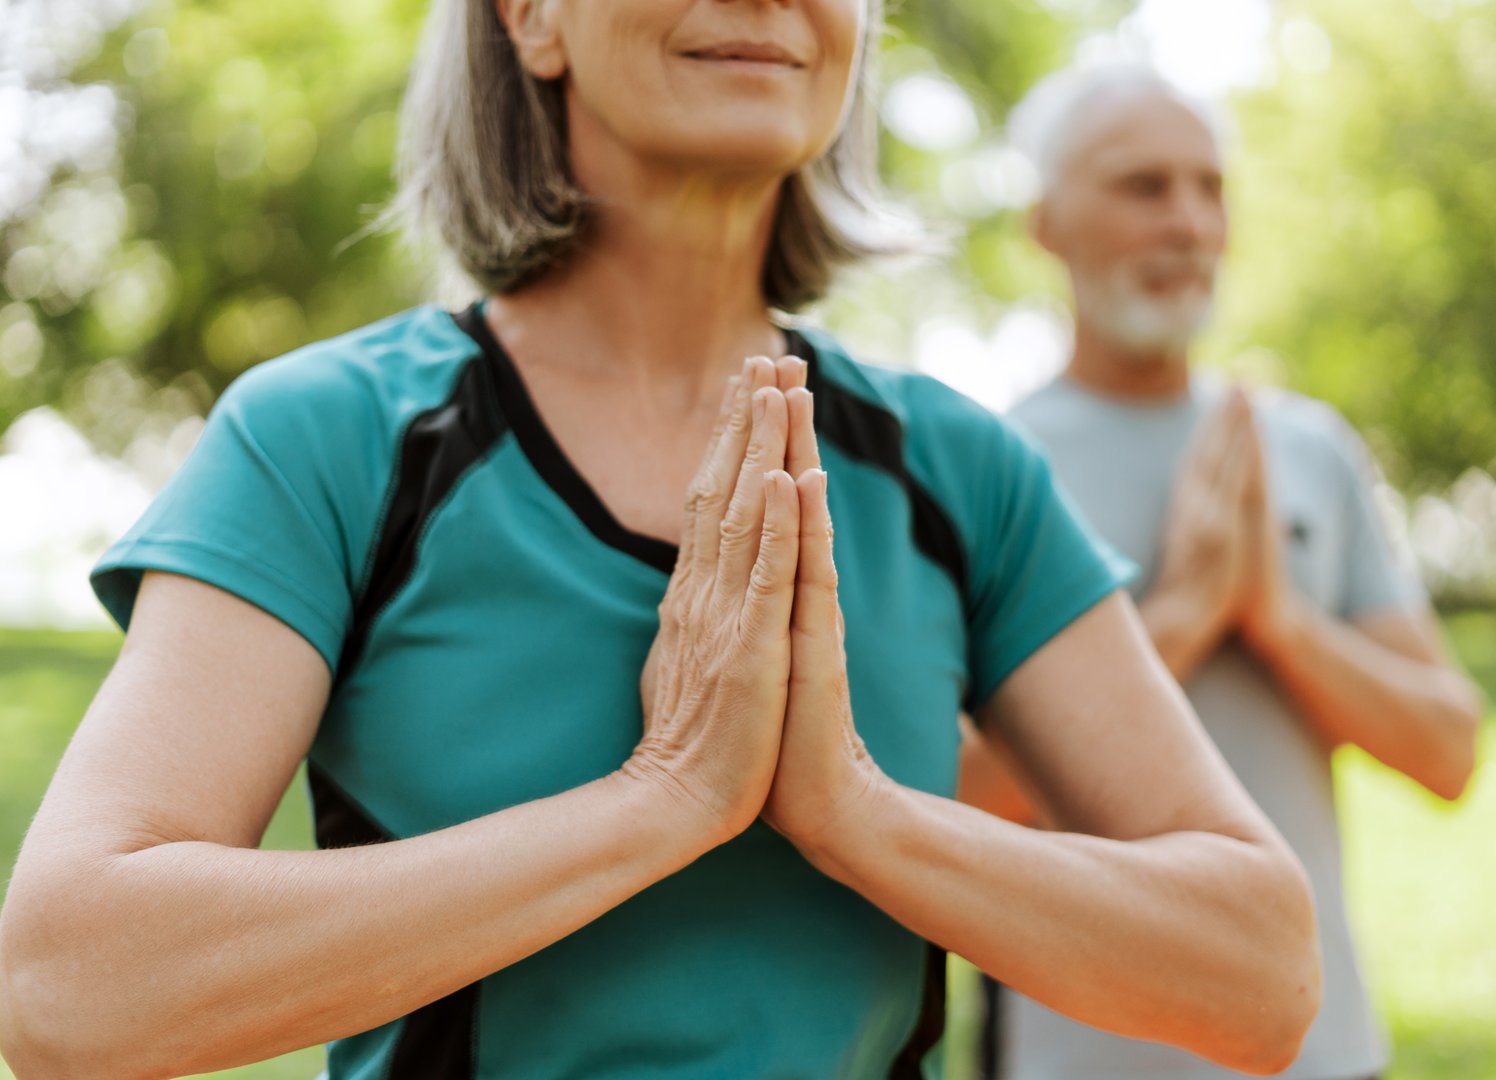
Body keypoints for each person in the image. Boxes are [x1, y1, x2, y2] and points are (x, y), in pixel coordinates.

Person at [0, 7, 1321, 1079]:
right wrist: (666, 798)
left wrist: (856, 816)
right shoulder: (330, 439)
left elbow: (1263, 978)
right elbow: (67, 989)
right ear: (529, 17)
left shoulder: (958, 469)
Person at [964, 63, 1484, 1080]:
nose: (1190, 223)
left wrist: (1283, 622)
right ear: (1046, 224)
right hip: (1070, 1060)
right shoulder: (981, 465)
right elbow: (938, 796)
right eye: (1143, 187)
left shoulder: (1310, 450)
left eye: (1210, 189)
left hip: (1315, 1051)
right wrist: (1179, 622)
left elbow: (1449, 751)